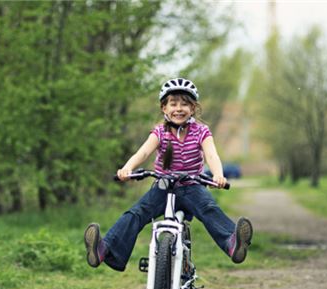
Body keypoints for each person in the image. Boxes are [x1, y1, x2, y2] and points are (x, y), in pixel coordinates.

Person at [84, 78, 253, 271]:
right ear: (164, 108)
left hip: (192, 186)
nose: (178, 108)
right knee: (136, 213)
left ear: (193, 108)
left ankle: (233, 243)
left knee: (208, 208)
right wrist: (127, 168)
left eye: (184, 104)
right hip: (163, 187)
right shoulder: (159, 132)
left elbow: (211, 155)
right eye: (173, 104)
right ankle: (104, 249)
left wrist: (218, 175)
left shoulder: (201, 131)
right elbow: (144, 152)